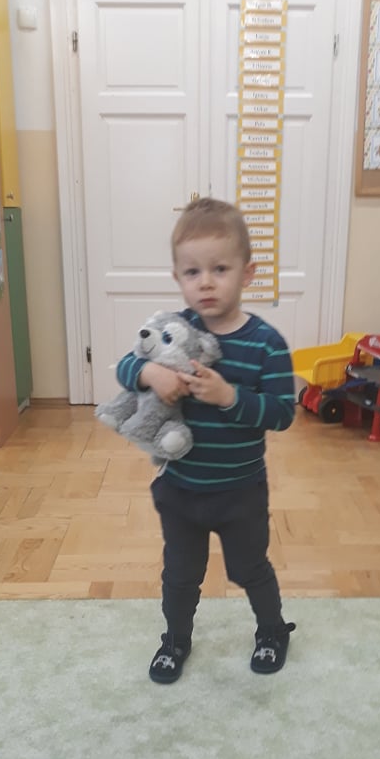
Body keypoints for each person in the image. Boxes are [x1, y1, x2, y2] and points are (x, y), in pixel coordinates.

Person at [115, 198, 296, 683]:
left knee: (249, 569)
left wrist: (230, 397)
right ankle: (175, 639)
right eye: (193, 272)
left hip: (240, 492)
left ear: (247, 273)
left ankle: (273, 630)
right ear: (178, 277)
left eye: (220, 269)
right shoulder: (172, 331)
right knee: (179, 575)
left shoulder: (266, 343)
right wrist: (150, 373)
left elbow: (283, 413)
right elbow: (125, 366)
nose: (206, 282)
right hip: (180, 489)